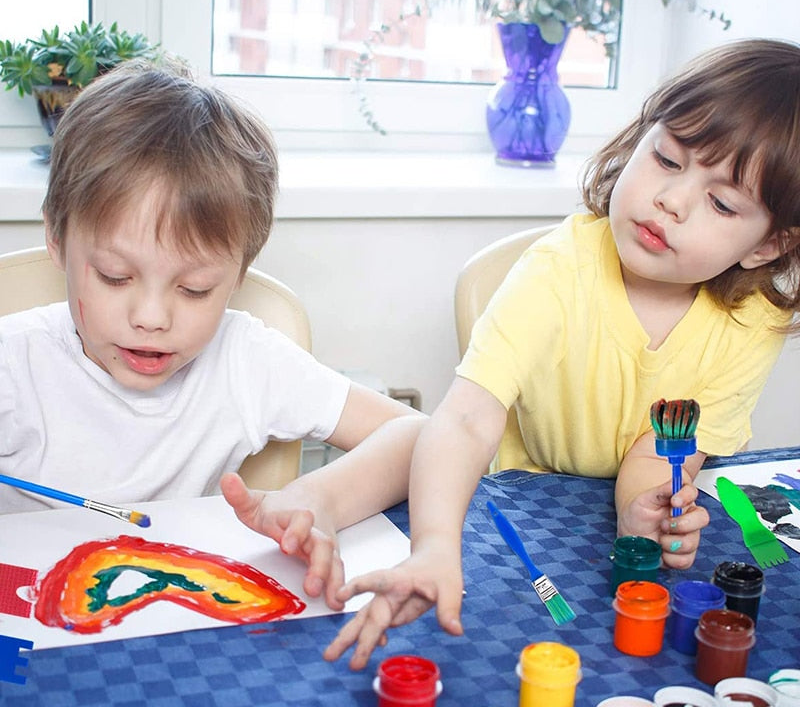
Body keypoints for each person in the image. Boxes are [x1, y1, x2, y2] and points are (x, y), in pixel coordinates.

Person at [323, 39, 800, 669]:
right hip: (518, 507)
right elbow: (465, 418)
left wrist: (641, 515)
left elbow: (658, 451)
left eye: (720, 202)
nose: (672, 200)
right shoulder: (557, 270)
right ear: (639, 139)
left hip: (595, 533)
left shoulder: (751, 324)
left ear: (768, 246)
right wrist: (435, 547)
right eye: (665, 158)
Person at [0, 58, 424, 610]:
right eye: (114, 277)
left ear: (237, 274)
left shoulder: (246, 360)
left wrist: (318, 498)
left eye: (195, 288)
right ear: (57, 238)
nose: (152, 316)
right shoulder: (15, 363)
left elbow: (420, 437)